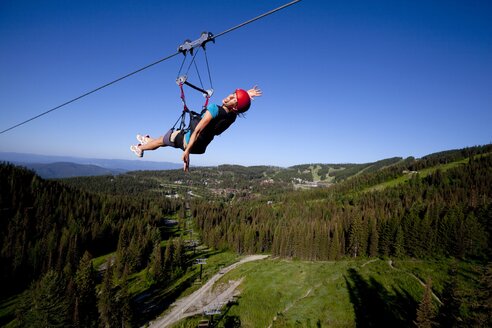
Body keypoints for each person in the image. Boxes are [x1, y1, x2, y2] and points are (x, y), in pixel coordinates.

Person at [130, 86, 262, 171]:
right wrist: (247, 95)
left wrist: (187, 151)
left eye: (233, 98)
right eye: (232, 93)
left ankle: (140, 149)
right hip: (199, 147)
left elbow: (198, 130)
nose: (229, 96)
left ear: (235, 107)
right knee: (165, 139)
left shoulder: (214, 110)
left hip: (188, 140)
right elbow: (239, 107)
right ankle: (147, 140)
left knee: (162, 141)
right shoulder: (232, 117)